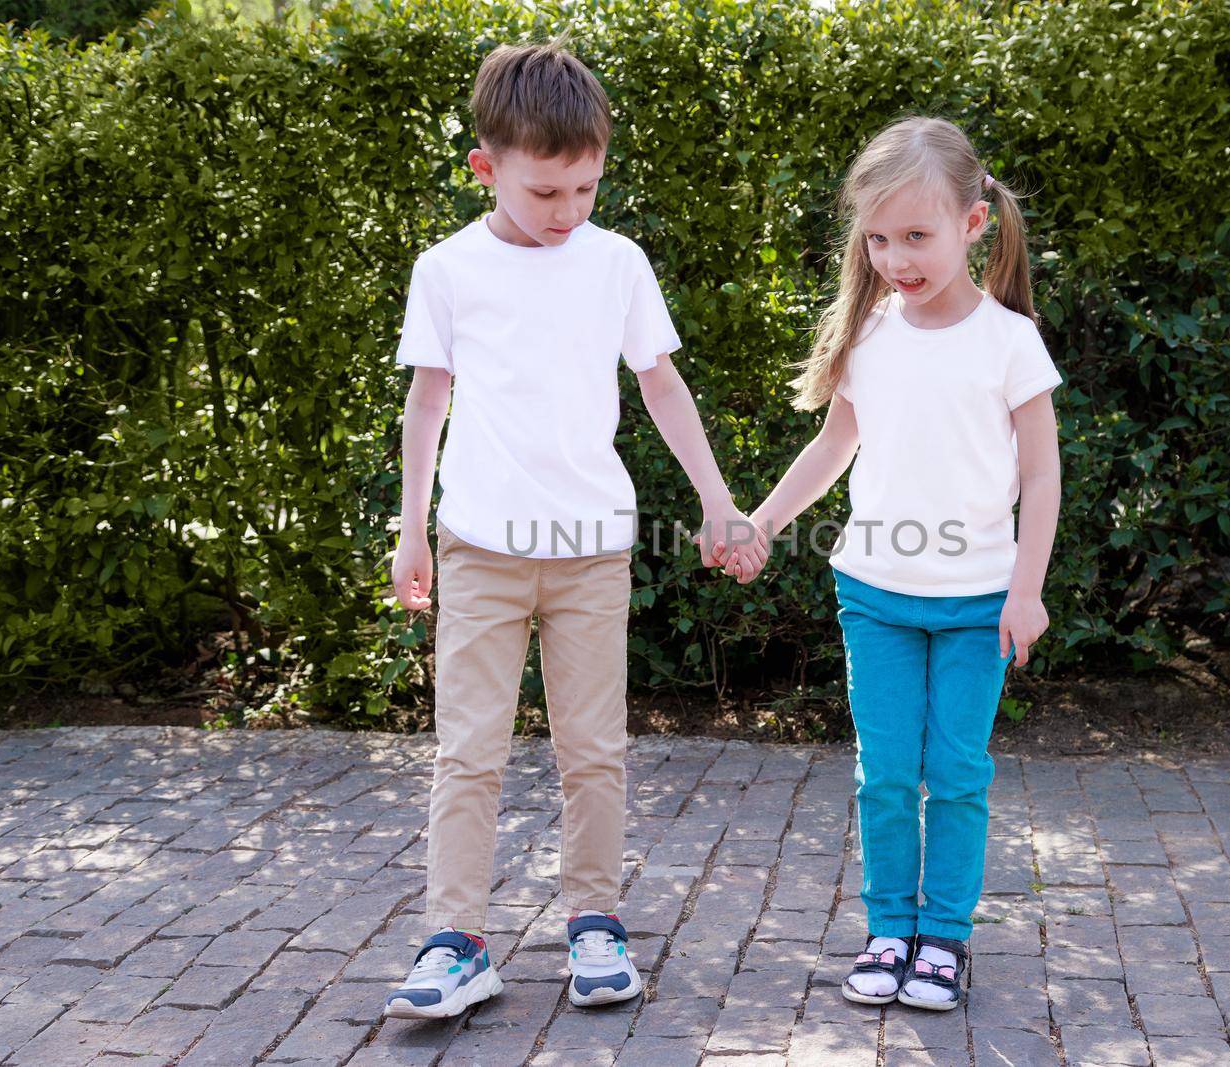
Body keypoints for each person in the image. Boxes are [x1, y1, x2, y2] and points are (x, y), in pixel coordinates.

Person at [384, 37, 764, 1018]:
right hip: (477, 548)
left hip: (592, 550)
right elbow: (427, 402)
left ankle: (594, 923)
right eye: (545, 193)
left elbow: (663, 385)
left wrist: (717, 498)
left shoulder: (616, 263)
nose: (567, 212)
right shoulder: (448, 269)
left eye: (585, 189)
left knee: (592, 749)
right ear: (486, 167)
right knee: (469, 749)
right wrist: (411, 528)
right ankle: (456, 939)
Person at [720, 116, 1062, 1010]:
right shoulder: (869, 333)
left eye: (916, 235)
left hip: (978, 600)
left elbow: (1040, 471)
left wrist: (1026, 589)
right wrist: (760, 519)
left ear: (973, 224)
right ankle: (887, 930)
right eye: (878, 237)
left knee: (955, 770)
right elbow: (836, 443)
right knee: (885, 770)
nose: (896, 256)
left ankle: (944, 938)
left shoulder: (1010, 342)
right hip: (873, 591)